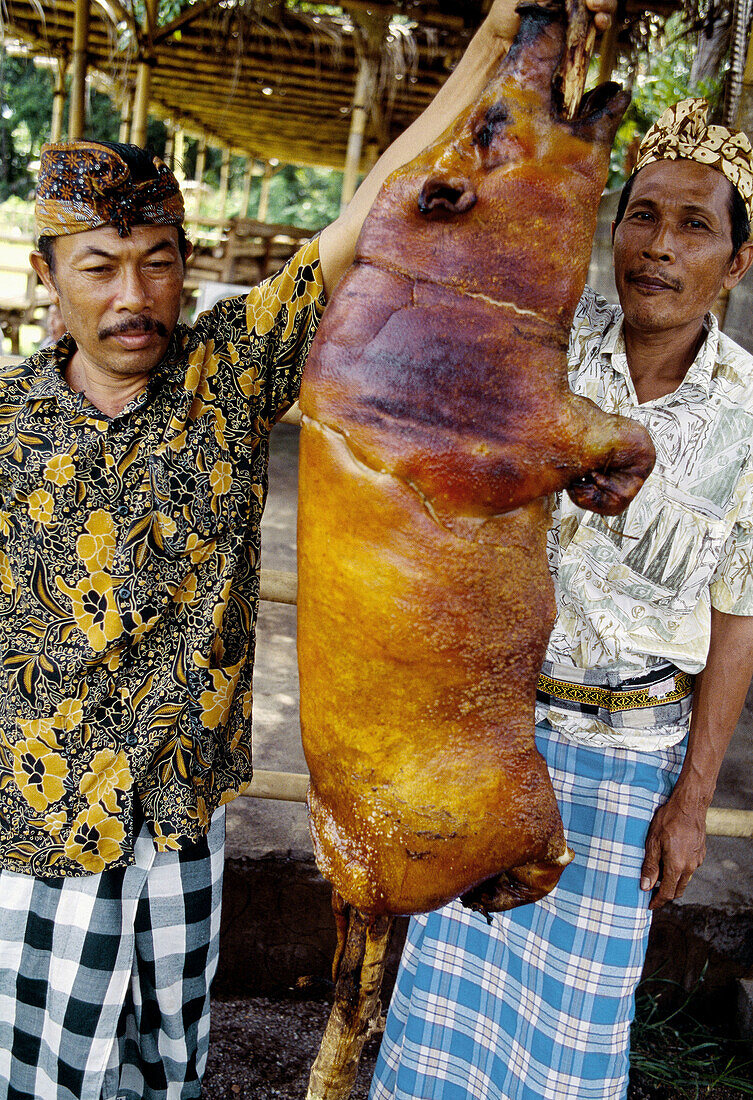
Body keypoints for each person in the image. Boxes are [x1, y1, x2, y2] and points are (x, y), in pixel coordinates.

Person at [0, 3, 618, 1097]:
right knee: (44, 1069)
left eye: (158, 262)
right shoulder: (5, 423)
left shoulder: (228, 373)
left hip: (184, 814)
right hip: (39, 823)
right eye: (99, 267)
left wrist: (493, 43)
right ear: (50, 276)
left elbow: (379, 206)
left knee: (167, 1059)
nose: (134, 296)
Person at [369, 99, 753, 1100]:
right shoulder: (533, 349)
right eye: (642, 215)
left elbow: (739, 607)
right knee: (443, 1008)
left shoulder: (750, 418)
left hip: (629, 762)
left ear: (738, 264)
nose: (658, 247)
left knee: (573, 1038)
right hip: (491, 736)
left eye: (694, 225)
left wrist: (694, 796)